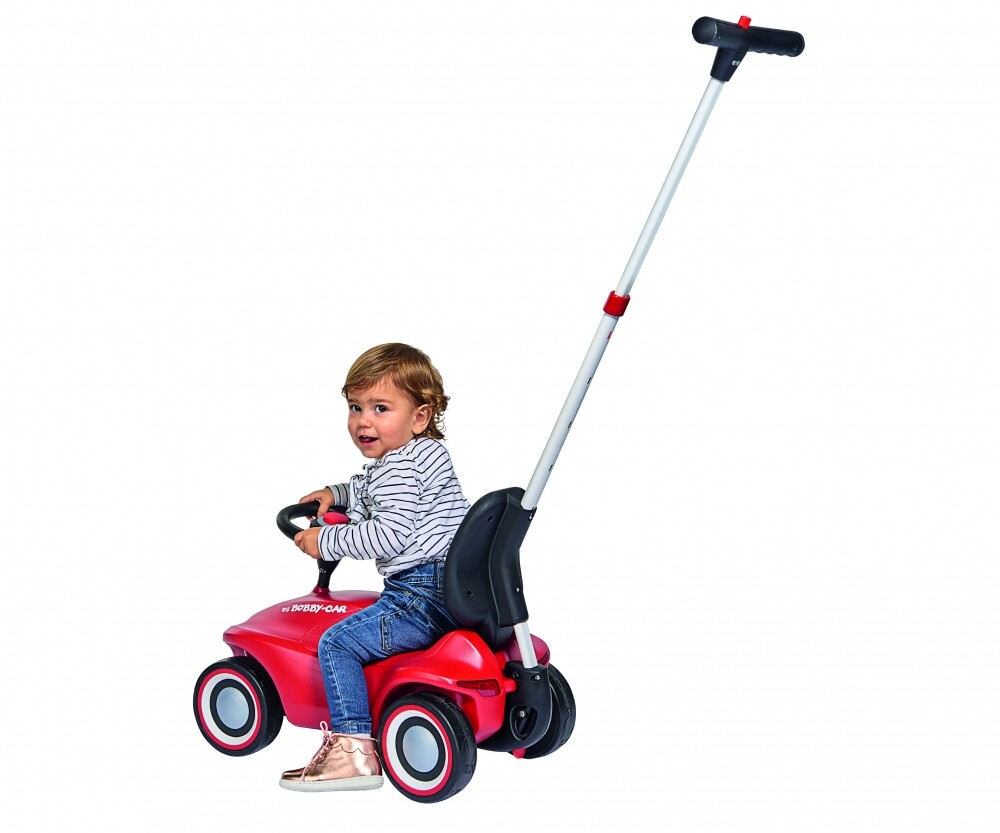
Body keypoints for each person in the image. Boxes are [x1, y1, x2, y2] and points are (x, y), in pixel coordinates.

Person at [279, 343, 470, 792]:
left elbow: (388, 535)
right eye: (355, 407)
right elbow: (369, 487)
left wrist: (324, 540)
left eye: (380, 408)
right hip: (458, 588)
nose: (364, 421)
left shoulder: (395, 471)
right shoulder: (425, 454)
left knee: (337, 643)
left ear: (420, 417)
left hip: (420, 595)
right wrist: (336, 494)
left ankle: (352, 752)